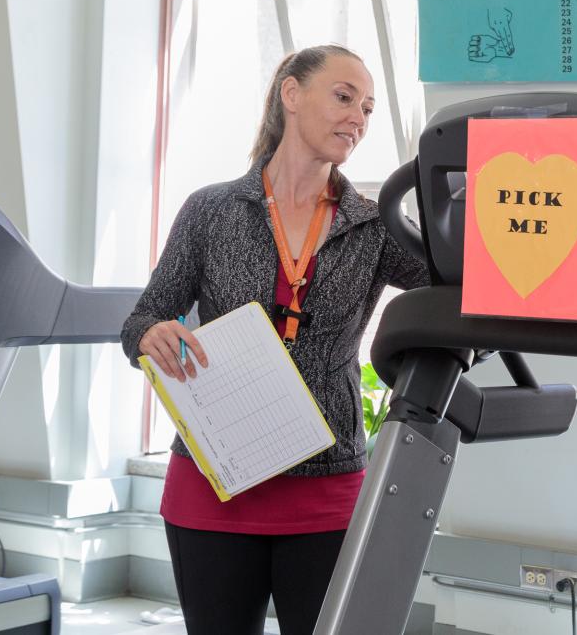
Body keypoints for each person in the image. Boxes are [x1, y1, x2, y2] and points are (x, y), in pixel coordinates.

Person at [121, 44, 428, 635]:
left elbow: (457, 282)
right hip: (215, 485)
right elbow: (142, 320)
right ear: (291, 94)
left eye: (367, 108)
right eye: (344, 98)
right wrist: (153, 334)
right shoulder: (210, 210)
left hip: (326, 488)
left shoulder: (372, 225)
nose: (358, 119)